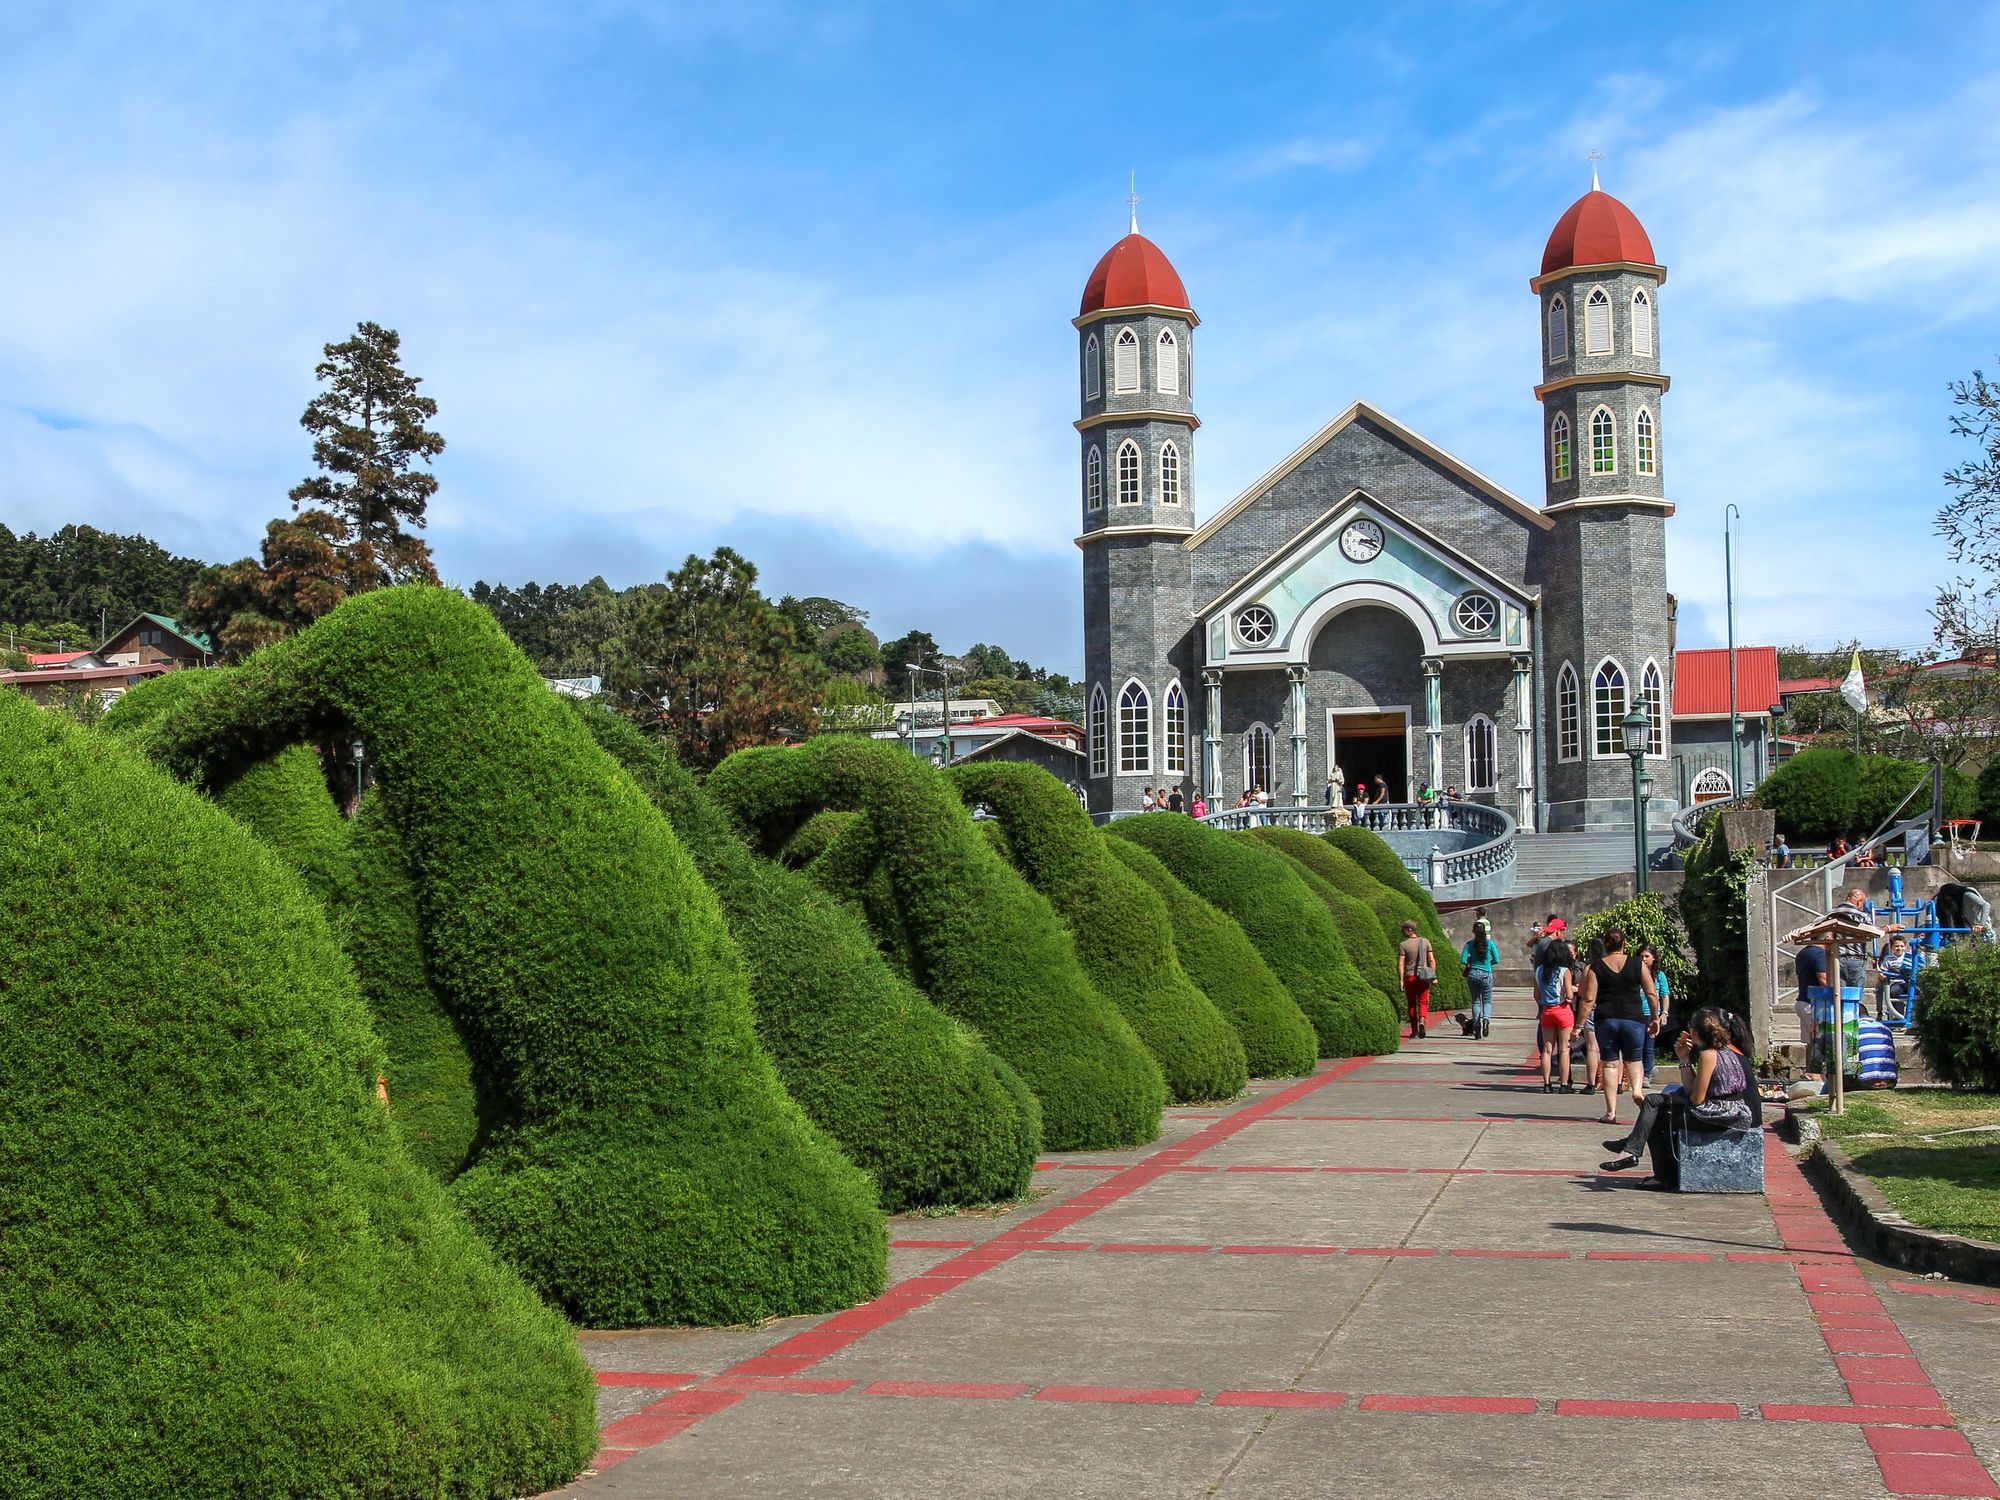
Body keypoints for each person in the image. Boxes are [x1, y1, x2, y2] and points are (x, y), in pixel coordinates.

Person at [1599, 1007, 1752, 1186]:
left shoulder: (1708, 1055)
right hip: (1727, 1110)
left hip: (1721, 1114)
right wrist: (1684, 1059)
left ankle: (1650, 1166)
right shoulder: (1725, 1050)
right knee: (1652, 1101)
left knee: (1654, 1117)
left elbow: (1696, 1099)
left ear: (1694, 1032)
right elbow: (1691, 1090)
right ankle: (1632, 1148)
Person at [1577, 928, 1658, 1127]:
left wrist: (1578, 1025)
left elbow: (1588, 999)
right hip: (1634, 1019)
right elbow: (1651, 993)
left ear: (1606, 944)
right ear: (1625, 944)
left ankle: (1611, 1111)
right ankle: (1637, 1091)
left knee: (1610, 1064)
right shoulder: (1637, 963)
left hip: (1606, 1019)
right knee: (1634, 1060)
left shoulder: (1597, 966)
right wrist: (1655, 1017)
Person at [1535, 934, 1576, 1093]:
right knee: (1565, 1048)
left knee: (1547, 1048)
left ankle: (1546, 1084)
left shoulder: (1539, 971)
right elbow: (1570, 996)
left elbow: (1536, 995)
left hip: (1547, 1011)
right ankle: (1564, 1084)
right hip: (1563, 1010)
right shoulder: (1564, 971)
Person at [1824, 886, 1876, 990]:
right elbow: (1872, 932)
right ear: (1859, 901)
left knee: (1839, 994)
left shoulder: (1830, 914)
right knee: (1855, 995)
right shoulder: (1862, 916)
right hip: (1856, 959)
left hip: (1836, 959)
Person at [1636, 943, 1671, 1084]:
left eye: (1647, 956)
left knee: (1648, 1046)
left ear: (1654, 958)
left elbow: (1665, 995)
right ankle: (1638, 1073)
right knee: (1637, 1044)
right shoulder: (1635, 973)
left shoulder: (1659, 975)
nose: (1644, 959)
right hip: (1637, 1014)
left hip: (1652, 1014)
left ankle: (1647, 1073)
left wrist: (1664, 1013)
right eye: (1641, 956)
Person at [1461, 918, 1499, 1040]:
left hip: (1472, 974)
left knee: (1476, 1001)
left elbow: (1462, 960)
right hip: (1486, 974)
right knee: (1487, 1001)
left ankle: (1477, 1025)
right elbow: (1497, 960)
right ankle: (1486, 1020)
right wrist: (1488, 963)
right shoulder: (1490, 944)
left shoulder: (1469, 944)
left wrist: (1470, 962)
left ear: (1473, 931)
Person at [1398, 919, 1435, 1041]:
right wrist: (1433, 976)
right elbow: (1431, 960)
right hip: (1424, 976)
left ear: (1409, 930)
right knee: (1423, 1001)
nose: (1402, 932)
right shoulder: (1425, 942)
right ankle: (1422, 1021)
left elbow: (1401, 964)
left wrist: (1401, 980)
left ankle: (1414, 1030)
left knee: (1412, 1003)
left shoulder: (1403, 945)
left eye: (1404, 930)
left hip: (1410, 976)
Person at [1874, 934, 1914, 1022]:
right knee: (1894, 991)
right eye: (1896, 946)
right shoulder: (1888, 959)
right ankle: (1899, 1016)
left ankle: (1913, 1016)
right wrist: (1879, 970)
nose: (1899, 948)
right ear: (1891, 948)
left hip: (1908, 982)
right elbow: (1883, 973)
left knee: (1916, 991)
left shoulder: (1909, 957)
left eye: (1901, 946)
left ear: (1905, 947)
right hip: (1896, 982)